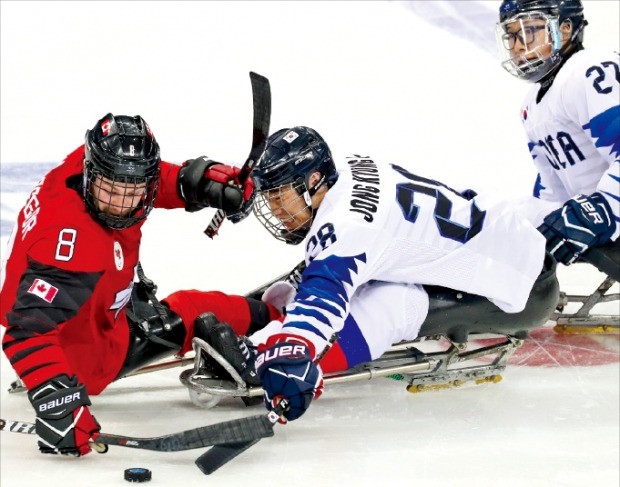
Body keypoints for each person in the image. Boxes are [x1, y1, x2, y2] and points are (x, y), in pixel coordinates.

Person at [200, 125, 548, 423]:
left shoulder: (347, 225)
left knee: (390, 303)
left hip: (518, 287)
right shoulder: (348, 172)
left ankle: (261, 359)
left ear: (315, 180)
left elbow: (327, 295)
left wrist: (296, 349)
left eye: (279, 196)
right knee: (355, 271)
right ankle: (272, 338)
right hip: (506, 245)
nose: (275, 209)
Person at [0, 113, 281, 457]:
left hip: (89, 302)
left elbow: (150, 176)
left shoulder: (89, 164)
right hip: (87, 350)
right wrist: (60, 403)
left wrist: (201, 183)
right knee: (193, 310)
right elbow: (26, 333)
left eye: (132, 191)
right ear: (93, 174)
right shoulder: (71, 247)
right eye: (111, 191)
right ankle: (276, 317)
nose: (121, 205)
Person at [495, 0, 619, 266]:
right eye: (512, 35)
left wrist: (604, 207)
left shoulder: (592, 69)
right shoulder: (530, 106)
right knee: (505, 219)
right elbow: (551, 189)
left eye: (528, 32)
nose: (517, 45)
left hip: (609, 215)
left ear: (563, 30)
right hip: (601, 219)